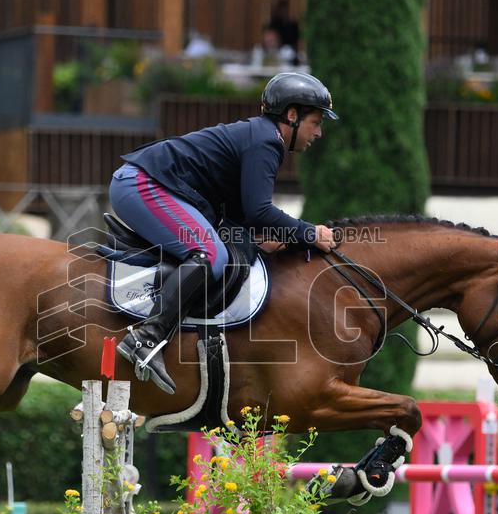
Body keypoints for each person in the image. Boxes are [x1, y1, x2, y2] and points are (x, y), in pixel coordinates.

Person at [110, 72, 338, 394]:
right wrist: (309, 234)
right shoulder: (266, 141)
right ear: (292, 115)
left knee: (221, 250)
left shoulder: (260, 137)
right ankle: (146, 338)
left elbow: (244, 216)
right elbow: (260, 212)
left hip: (148, 184)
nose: (319, 132)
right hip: (142, 184)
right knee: (212, 256)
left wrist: (261, 236)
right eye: (316, 122)